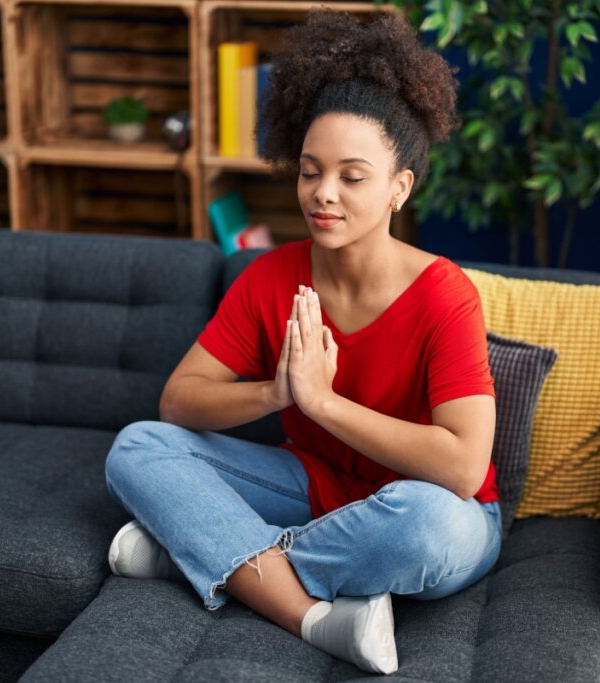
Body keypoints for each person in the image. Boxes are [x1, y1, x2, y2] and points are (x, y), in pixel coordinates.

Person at [103, 8, 501, 675]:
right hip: (313, 485)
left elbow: (461, 468)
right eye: (311, 171)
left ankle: (197, 554)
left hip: (427, 505)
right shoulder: (273, 276)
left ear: (399, 187)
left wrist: (322, 403)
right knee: (138, 447)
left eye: (352, 176)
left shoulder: (444, 293)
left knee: (426, 524)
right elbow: (178, 402)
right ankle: (308, 611)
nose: (324, 194)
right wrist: (276, 390)